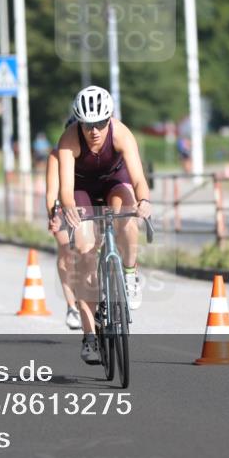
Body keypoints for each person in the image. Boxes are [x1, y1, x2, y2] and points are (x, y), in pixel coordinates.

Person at [56, 86, 152, 365]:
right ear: (79, 122)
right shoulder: (68, 141)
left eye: (100, 123)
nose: (95, 131)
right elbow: (65, 188)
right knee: (85, 251)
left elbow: (138, 178)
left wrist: (144, 200)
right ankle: (89, 337)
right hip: (82, 188)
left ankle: (131, 275)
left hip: (114, 181)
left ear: (109, 119)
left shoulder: (121, 133)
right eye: (88, 125)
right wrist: (70, 210)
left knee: (129, 215)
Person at [45, 115, 82, 330]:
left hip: (88, 205)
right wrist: (53, 216)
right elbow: (52, 193)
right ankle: (72, 306)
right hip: (63, 206)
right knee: (66, 249)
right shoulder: (57, 155)